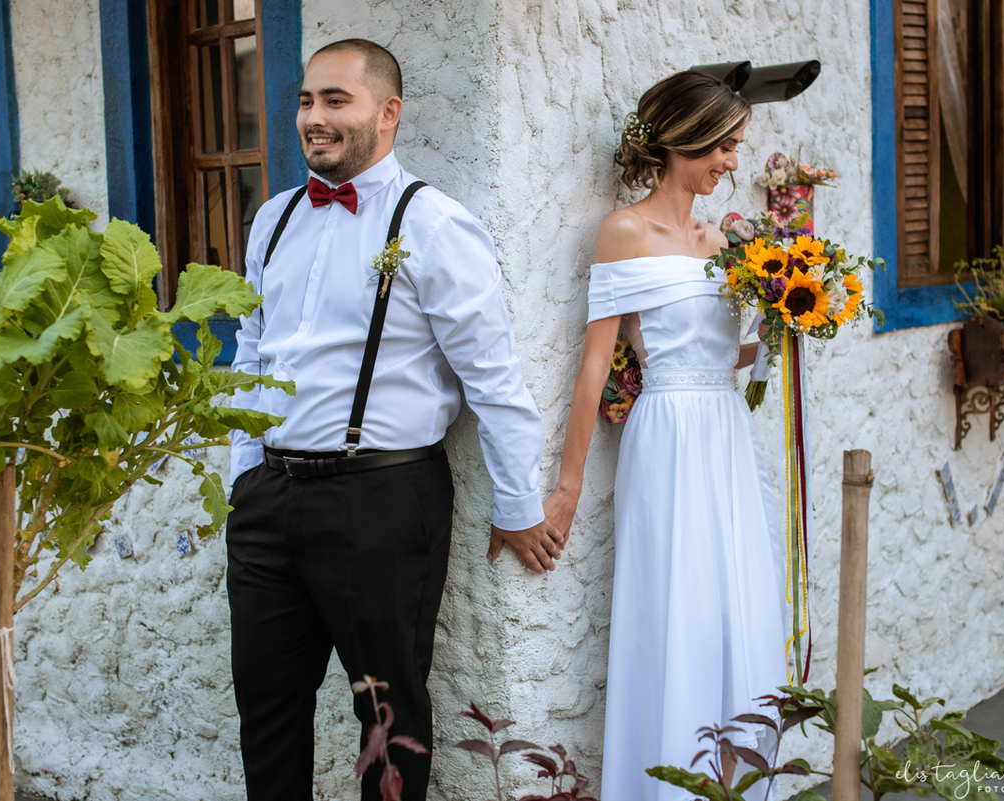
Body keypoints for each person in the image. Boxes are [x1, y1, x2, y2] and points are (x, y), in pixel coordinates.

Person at [227, 38, 562, 801]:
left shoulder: (434, 224)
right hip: (268, 500)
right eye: (306, 101)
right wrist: (244, 475)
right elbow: (251, 351)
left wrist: (519, 504)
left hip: (378, 501)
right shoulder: (274, 219)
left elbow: (494, 378)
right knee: (266, 712)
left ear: (388, 112)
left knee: (387, 718)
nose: (314, 117)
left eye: (335, 100)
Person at [544, 70, 789, 801]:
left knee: (736, 607)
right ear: (683, 139)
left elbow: (722, 354)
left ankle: (737, 784)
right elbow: (594, 369)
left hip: (726, 433)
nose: (732, 163)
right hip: (667, 438)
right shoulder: (625, 233)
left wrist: (784, 331)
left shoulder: (725, 242)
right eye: (723, 146)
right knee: (677, 607)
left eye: (736, 148)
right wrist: (565, 490)